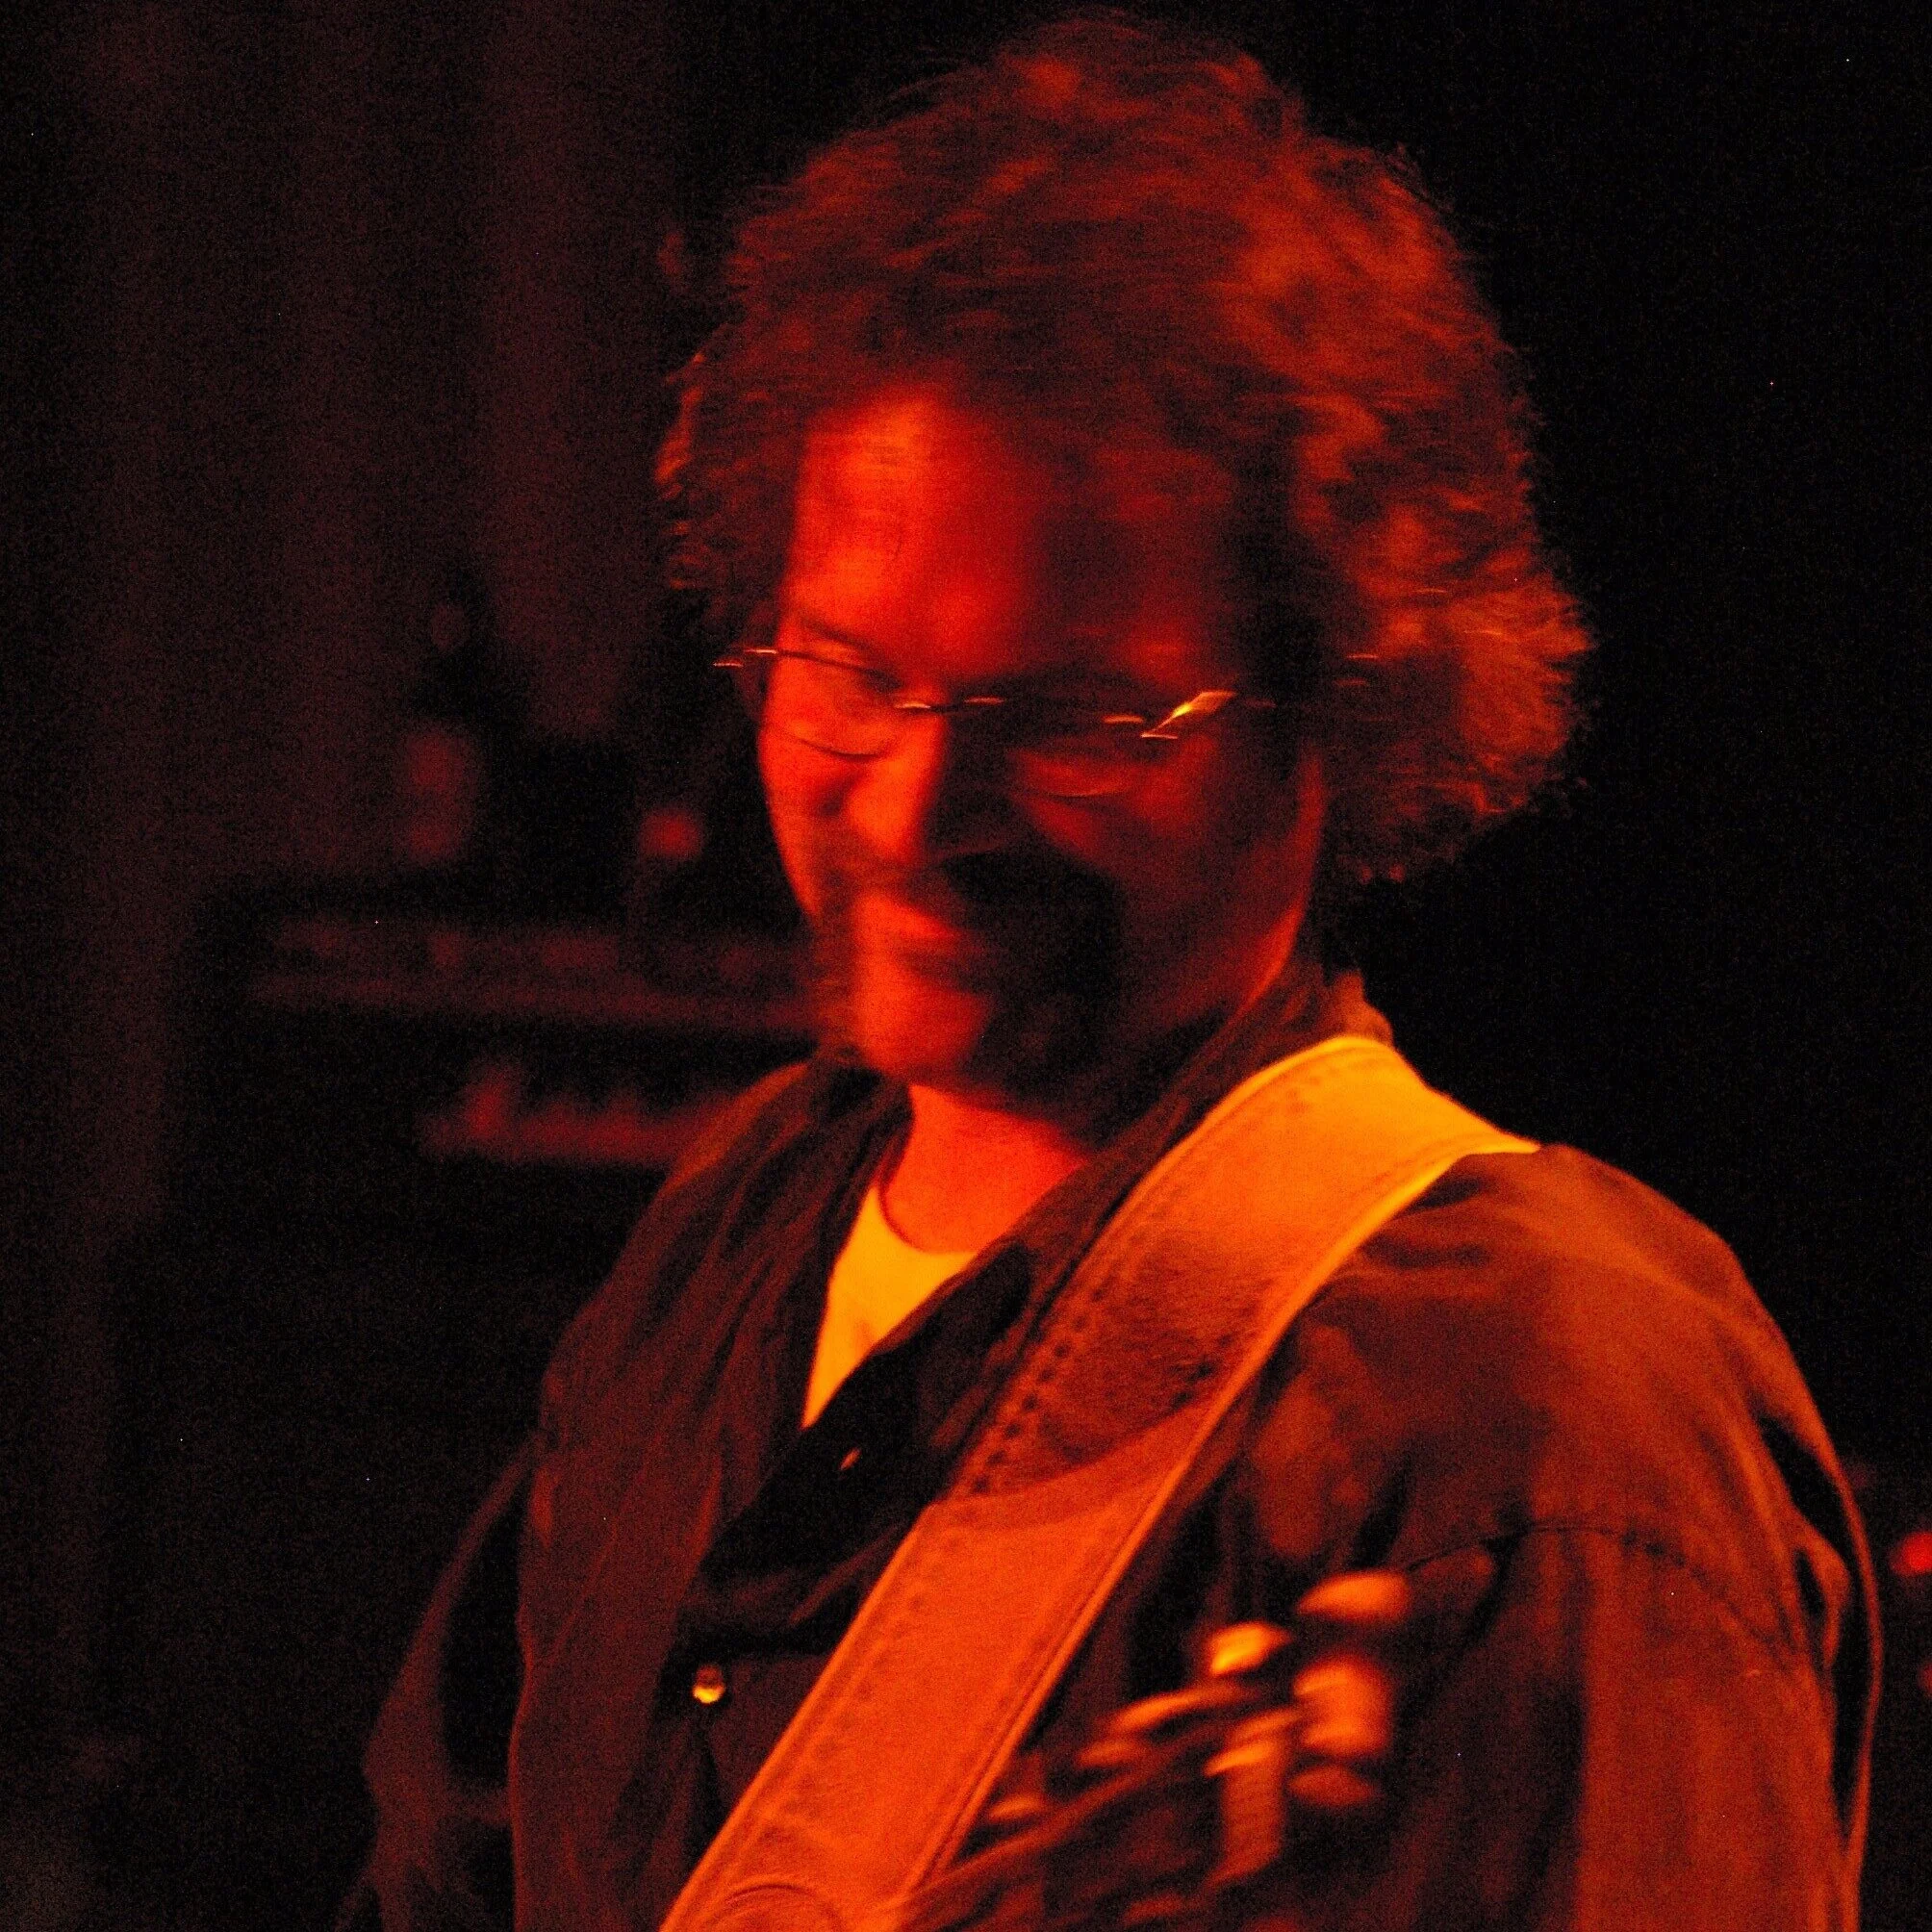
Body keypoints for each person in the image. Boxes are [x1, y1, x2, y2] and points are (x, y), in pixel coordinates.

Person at [349, 16, 1877, 1930]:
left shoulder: (1542, 1419)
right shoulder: (732, 1233)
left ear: (1334, 714)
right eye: (848, 671)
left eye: (1067, 713)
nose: (916, 803)